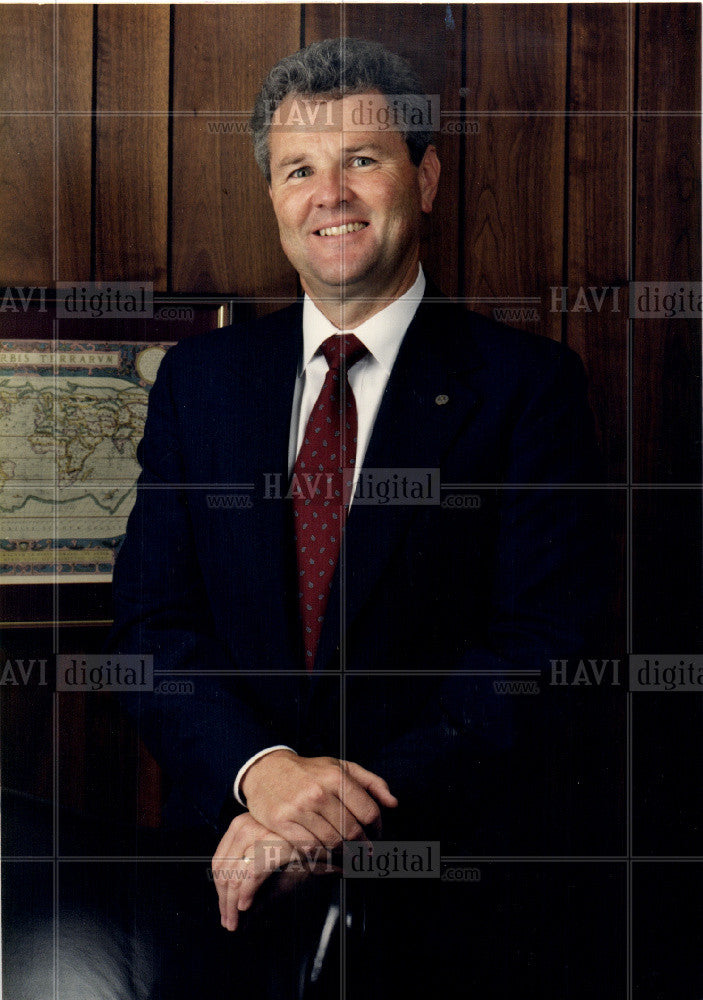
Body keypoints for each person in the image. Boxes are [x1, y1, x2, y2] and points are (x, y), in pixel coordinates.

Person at [109, 37, 609, 997]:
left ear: (422, 178)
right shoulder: (201, 384)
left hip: (443, 906)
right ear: (273, 198)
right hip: (221, 885)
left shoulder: (524, 388)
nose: (328, 194)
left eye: (361, 161)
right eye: (299, 169)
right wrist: (263, 776)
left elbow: (539, 651)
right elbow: (149, 626)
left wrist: (332, 814)